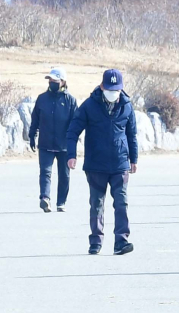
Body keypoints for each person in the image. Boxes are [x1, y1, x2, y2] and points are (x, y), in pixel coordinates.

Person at [65, 69, 138, 256]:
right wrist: (71, 155)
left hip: (120, 164)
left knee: (122, 203)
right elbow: (73, 131)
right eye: (110, 88)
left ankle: (121, 241)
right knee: (96, 204)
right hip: (96, 164)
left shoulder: (127, 106)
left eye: (116, 89)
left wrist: (134, 159)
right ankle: (96, 241)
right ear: (102, 86)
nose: (113, 93)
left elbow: (132, 135)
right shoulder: (89, 106)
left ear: (121, 89)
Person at [29, 67, 77, 213]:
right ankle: (45, 198)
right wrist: (32, 135)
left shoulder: (70, 101)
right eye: (50, 80)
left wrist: (73, 143)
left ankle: (61, 202)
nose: (51, 82)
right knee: (45, 172)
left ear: (62, 82)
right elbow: (35, 119)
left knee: (64, 175)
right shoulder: (42, 99)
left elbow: (75, 124)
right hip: (45, 143)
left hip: (64, 146)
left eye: (54, 80)